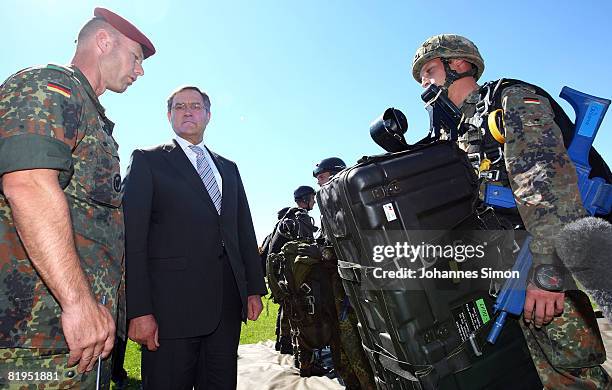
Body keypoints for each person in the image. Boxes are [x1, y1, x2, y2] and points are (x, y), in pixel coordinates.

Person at [411, 33, 610, 389]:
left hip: (545, 264)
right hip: (510, 266)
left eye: (429, 70)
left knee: (575, 377)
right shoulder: (457, 131)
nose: (424, 83)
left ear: (458, 64)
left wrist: (546, 273)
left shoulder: (509, 100)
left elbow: (547, 189)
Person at [0, 7, 154, 389]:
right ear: (104, 41)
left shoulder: (91, 113)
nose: (140, 71)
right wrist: (77, 302)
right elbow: (28, 184)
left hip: (77, 336)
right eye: (135, 57)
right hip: (35, 336)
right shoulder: (50, 86)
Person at [123, 85, 267, 389]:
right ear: (168, 115)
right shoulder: (148, 161)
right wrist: (139, 310)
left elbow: (243, 229)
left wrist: (253, 288)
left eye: (196, 106)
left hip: (225, 308)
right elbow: (132, 240)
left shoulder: (228, 168)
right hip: (170, 311)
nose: (188, 111)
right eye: (179, 106)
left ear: (208, 115)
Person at [310, 157, 377, 390]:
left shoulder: (345, 204)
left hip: (354, 287)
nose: (320, 184)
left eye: (322, 177)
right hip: (341, 286)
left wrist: (318, 253)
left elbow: (334, 249)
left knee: (356, 339)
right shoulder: (331, 206)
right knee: (345, 338)